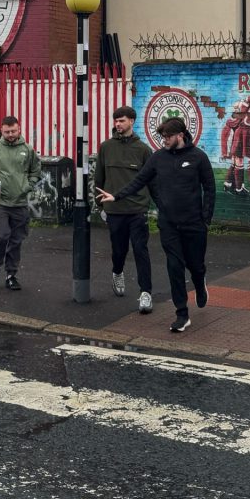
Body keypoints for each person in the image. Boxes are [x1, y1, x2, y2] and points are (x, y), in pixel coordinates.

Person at [96, 116, 215, 334]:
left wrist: (206, 219)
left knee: (195, 265)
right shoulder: (159, 158)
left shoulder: (198, 157)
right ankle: (182, 314)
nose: (164, 141)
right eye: (162, 137)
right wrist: (117, 196)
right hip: (168, 224)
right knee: (174, 266)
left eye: (168, 137)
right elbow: (139, 180)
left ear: (180, 135)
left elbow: (209, 188)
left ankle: (200, 282)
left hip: (194, 224)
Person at [93, 105, 154, 313]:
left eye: (122, 120)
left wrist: (153, 206)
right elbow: (99, 178)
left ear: (132, 122)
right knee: (119, 251)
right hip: (114, 210)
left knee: (141, 250)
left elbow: (151, 180)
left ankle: (145, 293)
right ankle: (117, 272)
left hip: (137, 210)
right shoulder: (106, 147)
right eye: (116, 121)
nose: (118, 124)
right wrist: (100, 204)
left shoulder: (143, 150)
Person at [0, 115, 42, 291]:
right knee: (2, 236)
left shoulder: (28, 150)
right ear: (2, 131)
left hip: (19, 202)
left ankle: (11, 275)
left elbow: (36, 171)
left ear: (19, 129)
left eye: (13, 131)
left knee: (16, 240)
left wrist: (28, 186)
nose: (10, 134)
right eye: (7, 132)